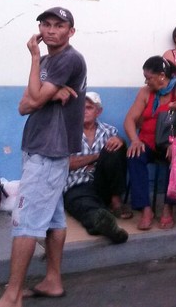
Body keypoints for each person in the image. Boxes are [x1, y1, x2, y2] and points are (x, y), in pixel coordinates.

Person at [0, 7, 86, 304]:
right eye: (45, 24)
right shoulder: (49, 60)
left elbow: (33, 98)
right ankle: (52, 280)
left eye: (59, 25)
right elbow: (25, 106)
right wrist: (42, 86)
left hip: (49, 150)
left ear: (70, 31)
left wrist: (34, 62)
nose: (50, 30)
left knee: (25, 221)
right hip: (40, 146)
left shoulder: (68, 59)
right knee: (53, 218)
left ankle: (11, 296)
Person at [124, 56, 176, 231]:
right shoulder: (146, 92)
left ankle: (168, 207)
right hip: (148, 142)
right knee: (134, 156)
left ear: (162, 76)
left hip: (170, 143)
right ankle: (146, 209)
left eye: (149, 77)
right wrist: (135, 140)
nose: (146, 81)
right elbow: (130, 119)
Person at [63, 92, 130, 244]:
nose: (84, 111)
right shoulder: (68, 132)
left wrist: (120, 141)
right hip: (77, 184)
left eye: (89, 108)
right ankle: (104, 224)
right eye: (80, 108)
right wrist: (98, 156)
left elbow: (117, 159)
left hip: (102, 184)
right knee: (83, 205)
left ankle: (116, 202)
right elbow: (67, 164)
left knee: (116, 148)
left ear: (98, 111)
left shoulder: (110, 132)